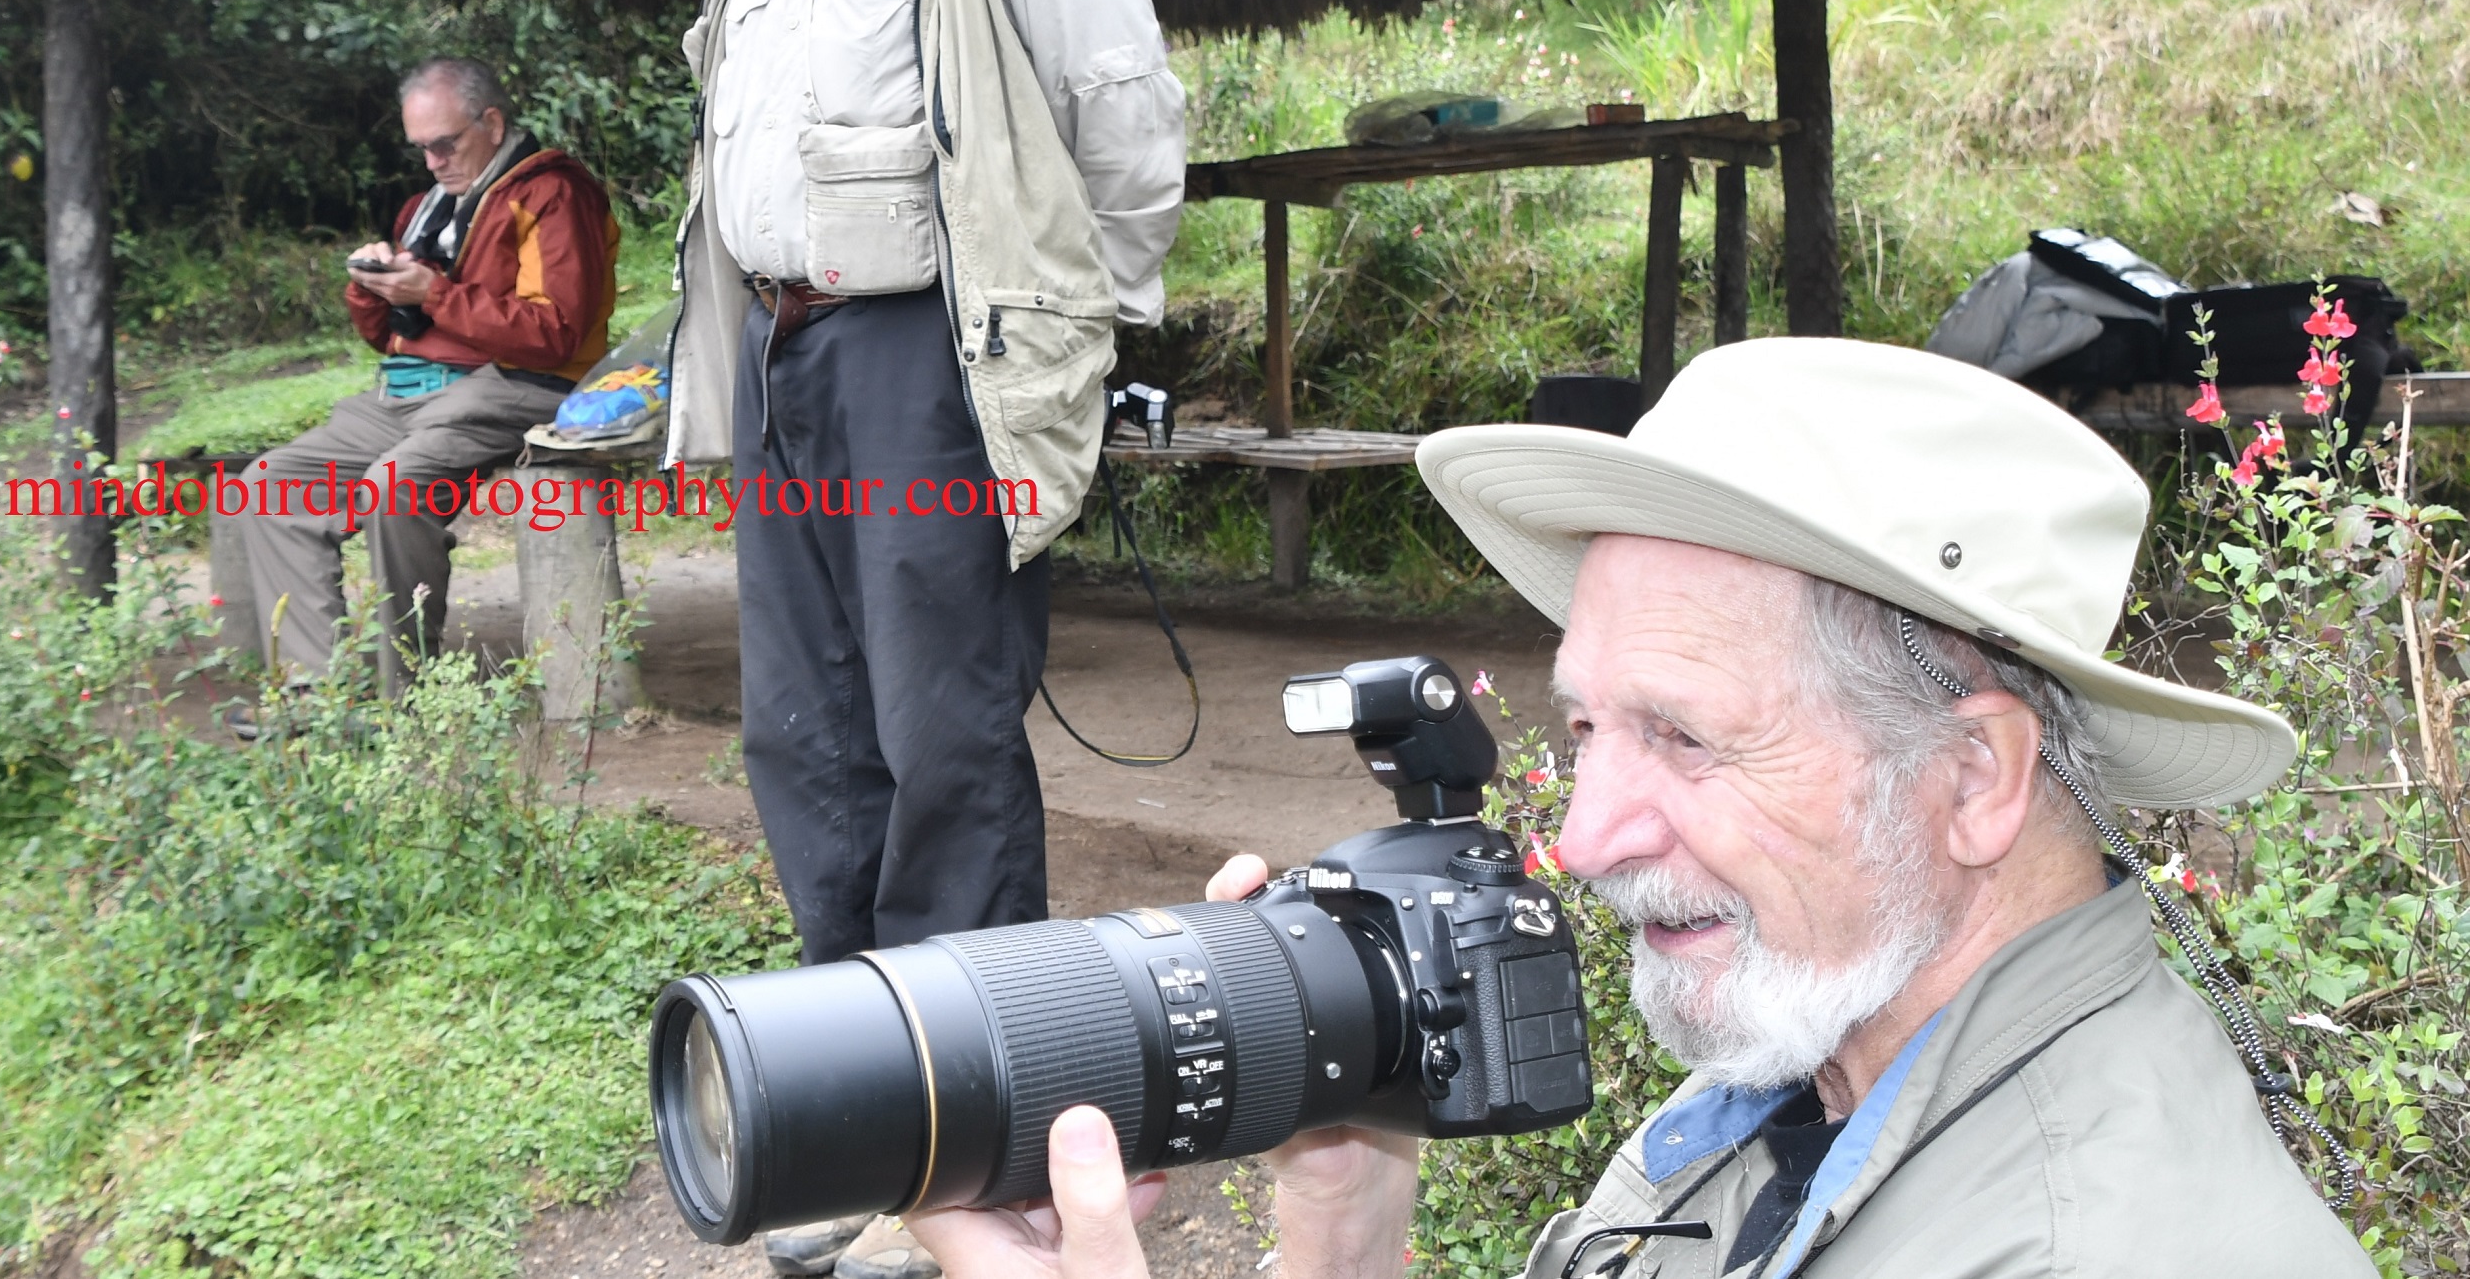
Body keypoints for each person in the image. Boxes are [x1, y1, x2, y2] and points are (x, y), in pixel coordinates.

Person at [912, 339, 2371, 1279]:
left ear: (1974, 778)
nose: (1587, 835)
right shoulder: (1827, 1051)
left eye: (1684, 735)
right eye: (1590, 725)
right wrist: (1348, 1232)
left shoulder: (2090, 1239)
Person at [668, 0, 1187, 1279]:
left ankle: (971, 1157)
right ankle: (852, 1110)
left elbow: (1121, 116)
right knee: (808, 738)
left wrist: (1085, 343)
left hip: (930, 358)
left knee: (941, 735)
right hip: (788, 352)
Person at [235, 56, 618, 696]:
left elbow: (556, 334)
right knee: (267, 486)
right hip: (410, 391)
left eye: (446, 143)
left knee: (395, 489)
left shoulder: (552, 193)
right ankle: (320, 698)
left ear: (492, 123)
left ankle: (401, 700)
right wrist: (374, 285)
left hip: (519, 385)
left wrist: (435, 294)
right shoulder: (428, 207)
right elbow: (389, 336)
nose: (433, 161)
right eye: (421, 148)